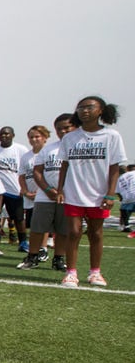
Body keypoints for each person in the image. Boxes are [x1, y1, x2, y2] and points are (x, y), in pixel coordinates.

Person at [56, 96, 127, 287]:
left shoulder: (111, 136)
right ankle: (71, 273)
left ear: (101, 110)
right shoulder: (70, 137)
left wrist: (111, 193)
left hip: (98, 194)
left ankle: (95, 272)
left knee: (96, 233)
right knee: (73, 232)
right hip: (74, 192)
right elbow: (64, 165)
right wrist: (61, 189)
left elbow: (114, 167)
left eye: (89, 107)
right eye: (80, 108)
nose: (84, 111)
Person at [0, 126, 30, 251]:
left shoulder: (21, 150)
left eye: (6, 134)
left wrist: (24, 186)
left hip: (14, 190)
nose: (4, 136)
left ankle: (23, 242)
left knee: (18, 218)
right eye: (1, 134)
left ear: (13, 135)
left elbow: (27, 168)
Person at [15, 125, 51, 269]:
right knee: (33, 225)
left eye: (37, 136)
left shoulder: (50, 153)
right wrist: (25, 192)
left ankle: (43, 249)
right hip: (29, 197)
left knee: (44, 224)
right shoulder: (26, 156)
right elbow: (22, 176)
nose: (34, 139)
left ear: (45, 137)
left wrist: (42, 191)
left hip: (45, 195)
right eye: (31, 137)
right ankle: (37, 250)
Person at [118, 163, 135, 234]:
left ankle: (125, 226)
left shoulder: (122, 176)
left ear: (127, 169)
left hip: (127, 196)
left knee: (124, 211)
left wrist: (121, 198)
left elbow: (118, 190)